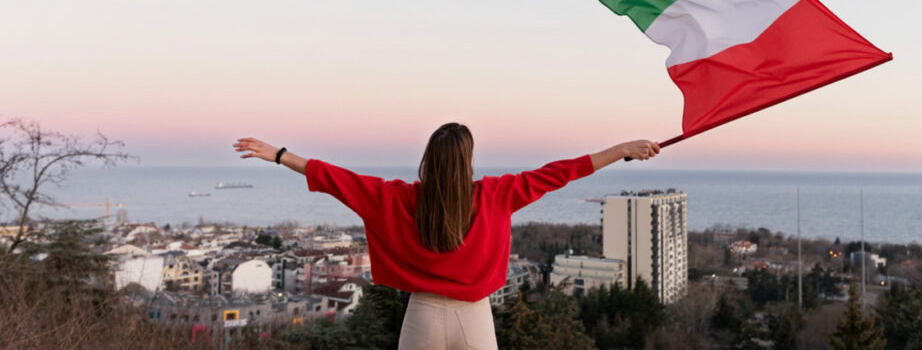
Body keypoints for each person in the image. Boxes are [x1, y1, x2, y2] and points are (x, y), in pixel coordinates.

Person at [234, 124, 660, 349]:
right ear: (467, 161)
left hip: (421, 318)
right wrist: (620, 149)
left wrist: (278, 155)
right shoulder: (495, 195)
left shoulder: (395, 199)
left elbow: (334, 178)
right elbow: (559, 173)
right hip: (474, 319)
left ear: (428, 160)